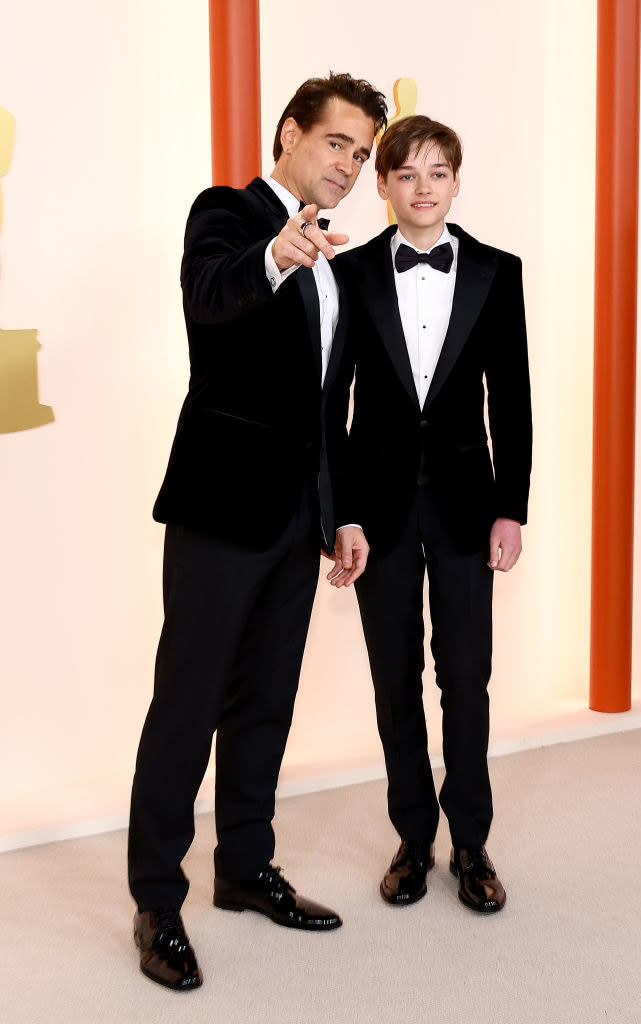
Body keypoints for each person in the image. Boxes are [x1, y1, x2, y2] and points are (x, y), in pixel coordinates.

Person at [128, 72, 387, 991]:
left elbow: (330, 407)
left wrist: (343, 511)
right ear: (289, 134)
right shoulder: (229, 215)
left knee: (265, 703)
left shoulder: (344, 261)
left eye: (360, 155)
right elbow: (209, 296)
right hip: (219, 504)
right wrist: (274, 256)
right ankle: (158, 898)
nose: (349, 166)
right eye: (336, 144)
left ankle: (243, 870)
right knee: (186, 704)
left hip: (296, 521)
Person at [329, 115, 532, 914]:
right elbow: (331, 404)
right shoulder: (348, 275)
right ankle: (412, 838)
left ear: (456, 181)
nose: (421, 188)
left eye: (436, 173)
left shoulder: (496, 271)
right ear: (381, 186)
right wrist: (338, 513)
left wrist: (510, 509)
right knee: (392, 679)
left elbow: (510, 401)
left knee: (466, 678)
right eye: (405, 174)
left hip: (463, 504)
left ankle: (471, 842)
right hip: (374, 512)